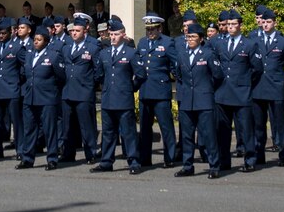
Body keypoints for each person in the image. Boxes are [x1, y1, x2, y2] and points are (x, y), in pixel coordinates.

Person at [91, 18, 145, 174]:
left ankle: (134, 161)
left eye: (115, 34)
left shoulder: (131, 53)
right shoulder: (104, 53)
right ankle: (106, 161)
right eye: (110, 34)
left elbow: (140, 75)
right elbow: (99, 75)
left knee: (128, 133)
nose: (112, 37)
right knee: (108, 133)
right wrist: (106, 87)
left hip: (123, 99)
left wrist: (130, 88)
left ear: (123, 35)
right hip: (108, 99)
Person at [210, 9, 260, 172]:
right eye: (228, 24)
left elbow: (257, 69)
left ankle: (250, 160)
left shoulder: (249, 44)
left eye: (233, 24)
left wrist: (245, 82)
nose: (230, 27)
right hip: (223, 93)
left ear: (240, 26)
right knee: (222, 131)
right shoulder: (219, 44)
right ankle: (225, 161)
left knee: (246, 129)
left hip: (241, 93)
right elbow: (216, 66)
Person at [173, 22, 224, 178]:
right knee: (187, 136)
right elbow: (179, 75)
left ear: (201, 39)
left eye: (193, 36)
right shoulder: (181, 55)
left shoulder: (208, 54)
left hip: (204, 100)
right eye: (188, 36)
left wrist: (207, 90)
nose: (190, 39)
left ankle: (214, 165)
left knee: (208, 135)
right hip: (187, 100)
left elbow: (218, 76)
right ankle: (187, 165)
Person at [250, 8, 284, 166]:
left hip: (276, 87)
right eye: (263, 22)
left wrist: (282, 79)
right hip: (258, 87)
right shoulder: (254, 41)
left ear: (275, 23)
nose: (265, 25)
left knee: (280, 123)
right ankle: (259, 154)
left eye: (269, 22)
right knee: (258, 125)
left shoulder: (283, 41)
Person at [18, 26, 65, 170]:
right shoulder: (29, 55)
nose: (36, 42)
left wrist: (51, 91)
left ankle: (52, 158)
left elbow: (61, 77)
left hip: (47, 98)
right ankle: (27, 159)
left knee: (49, 130)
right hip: (30, 98)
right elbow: (24, 74)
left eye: (39, 40)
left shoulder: (53, 56)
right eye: (35, 40)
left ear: (46, 41)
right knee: (29, 129)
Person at [136, 12, 178, 169]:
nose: (150, 32)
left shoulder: (168, 43)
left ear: (160, 28)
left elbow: (175, 65)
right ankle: (145, 158)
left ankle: (170, 157)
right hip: (145, 90)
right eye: (148, 29)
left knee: (166, 127)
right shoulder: (142, 43)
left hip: (160, 91)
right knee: (145, 128)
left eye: (153, 29)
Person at [59, 16, 99, 164]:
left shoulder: (93, 48)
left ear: (84, 31)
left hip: (84, 92)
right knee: (67, 127)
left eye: (77, 30)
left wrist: (89, 85)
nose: (74, 33)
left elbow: (98, 72)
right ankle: (68, 153)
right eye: (72, 31)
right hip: (68, 91)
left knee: (86, 126)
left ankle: (91, 153)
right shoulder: (66, 48)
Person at [0, 16, 27, 159]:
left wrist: (18, 79)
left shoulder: (17, 47)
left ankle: (20, 150)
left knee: (16, 122)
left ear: (10, 33)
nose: (1, 36)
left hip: (12, 89)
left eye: (4, 33)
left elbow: (26, 66)